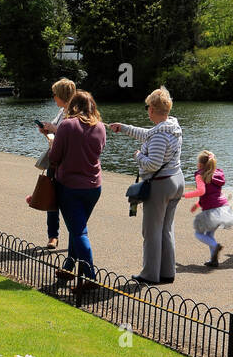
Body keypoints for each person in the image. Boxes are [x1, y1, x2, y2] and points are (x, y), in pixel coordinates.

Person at [110, 86, 184, 286]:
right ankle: (167, 272)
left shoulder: (160, 134)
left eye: (147, 108)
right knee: (166, 229)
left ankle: (150, 274)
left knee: (151, 231)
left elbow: (153, 164)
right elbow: (148, 135)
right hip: (176, 181)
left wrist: (137, 156)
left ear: (152, 109)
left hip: (161, 186)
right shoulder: (171, 127)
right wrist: (124, 128)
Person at [47, 90, 107, 288]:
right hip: (93, 187)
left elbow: (54, 157)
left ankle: (89, 276)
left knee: (79, 231)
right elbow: (97, 151)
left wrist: (53, 143)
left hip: (70, 186)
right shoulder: (100, 127)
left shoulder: (66, 125)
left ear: (73, 105)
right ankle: (69, 266)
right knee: (77, 227)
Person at [35, 78, 77, 250]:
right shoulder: (61, 112)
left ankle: (76, 235)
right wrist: (47, 132)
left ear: (62, 95)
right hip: (55, 160)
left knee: (67, 201)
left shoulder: (76, 113)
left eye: (55, 94)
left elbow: (74, 136)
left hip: (68, 163)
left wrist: (53, 129)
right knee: (51, 198)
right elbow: (55, 137)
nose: (53, 98)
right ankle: (53, 236)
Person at [183, 150, 233, 267]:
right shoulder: (216, 174)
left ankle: (215, 246)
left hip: (212, 211)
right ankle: (214, 260)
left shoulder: (200, 175)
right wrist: (197, 204)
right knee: (210, 234)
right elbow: (211, 194)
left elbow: (202, 191)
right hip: (224, 209)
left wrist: (185, 195)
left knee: (198, 234)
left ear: (200, 164)